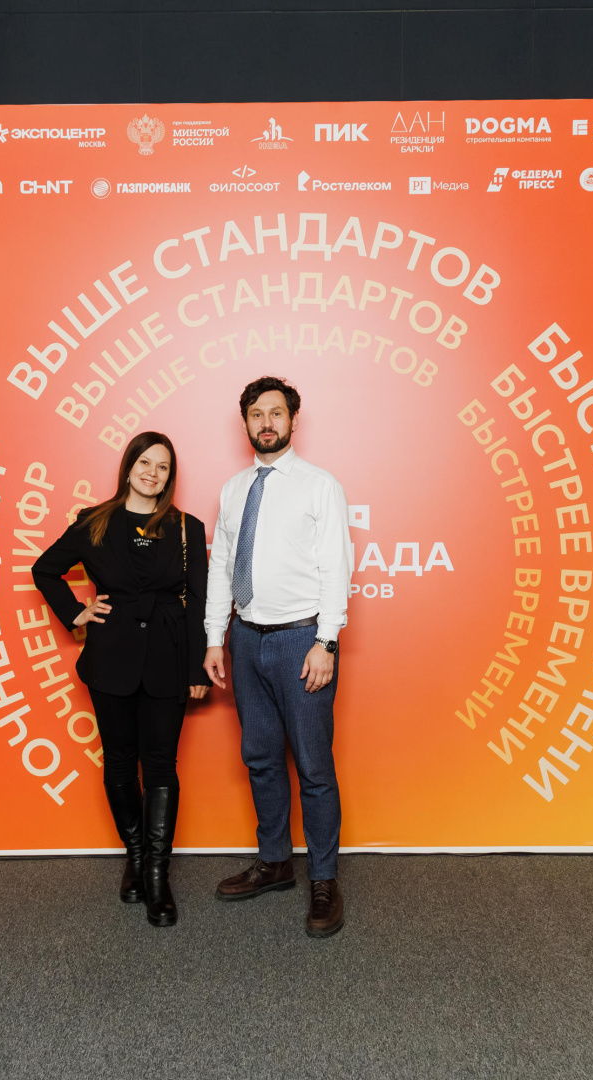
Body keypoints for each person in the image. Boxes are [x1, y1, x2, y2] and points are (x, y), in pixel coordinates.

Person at [32, 432, 210, 928]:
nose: (153, 473)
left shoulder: (186, 528)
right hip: (110, 659)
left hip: (168, 659)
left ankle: (156, 876)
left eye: (163, 467)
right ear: (129, 466)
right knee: (118, 762)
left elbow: (199, 600)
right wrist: (77, 612)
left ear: (170, 477)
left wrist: (197, 667)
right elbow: (45, 570)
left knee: (160, 765)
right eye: (145, 462)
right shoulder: (94, 520)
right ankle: (135, 857)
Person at [203, 376, 351, 938]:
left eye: (276, 413)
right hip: (246, 640)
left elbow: (335, 566)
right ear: (245, 422)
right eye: (256, 414)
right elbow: (221, 567)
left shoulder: (319, 485)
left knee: (313, 766)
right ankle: (275, 862)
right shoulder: (234, 489)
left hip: (300, 640)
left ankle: (323, 879)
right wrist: (215, 637)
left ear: (292, 420)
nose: (266, 423)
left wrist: (326, 642)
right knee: (261, 758)